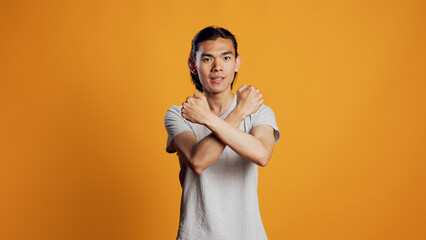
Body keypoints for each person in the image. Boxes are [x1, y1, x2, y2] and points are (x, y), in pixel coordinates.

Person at [164, 26, 280, 240]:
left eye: (226, 58)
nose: (218, 67)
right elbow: (198, 161)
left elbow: (262, 155)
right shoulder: (180, 114)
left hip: (248, 234)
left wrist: (210, 118)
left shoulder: (259, 112)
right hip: (196, 234)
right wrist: (239, 112)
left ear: (236, 63)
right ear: (193, 64)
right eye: (207, 59)